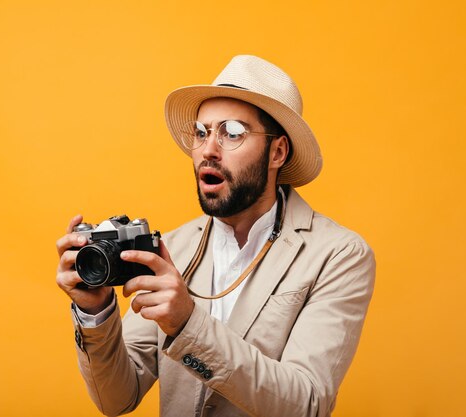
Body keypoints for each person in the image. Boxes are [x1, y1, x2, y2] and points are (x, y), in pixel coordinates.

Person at [55, 55, 375, 417]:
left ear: (278, 152)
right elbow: (117, 399)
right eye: (202, 132)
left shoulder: (338, 254)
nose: (208, 150)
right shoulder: (172, 250)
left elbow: (306, 404)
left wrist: (187, 324)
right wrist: (95, 310)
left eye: (233, 133)